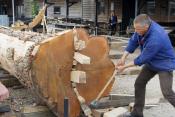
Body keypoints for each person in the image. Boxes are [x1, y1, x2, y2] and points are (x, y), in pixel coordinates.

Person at [116, 14, 175, 117]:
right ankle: (137, 113)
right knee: (139, 83)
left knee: (167, 92)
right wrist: (123, 58)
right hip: (152, 61)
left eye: (138, 29)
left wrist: (124, 67)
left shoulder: (156, 37)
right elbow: (133, 41)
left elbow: (142, 59)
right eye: (135, 28)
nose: (136, 31)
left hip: (164, 63)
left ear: (146, 27)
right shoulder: (140, 29)